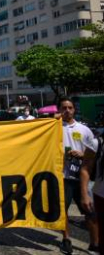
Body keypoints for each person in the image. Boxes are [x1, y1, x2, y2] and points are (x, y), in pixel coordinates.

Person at [58, 97, 98, 254]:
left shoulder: (84, 129)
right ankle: (66, 239)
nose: (67, 110)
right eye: (63, 108)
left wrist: (82, 155)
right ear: (59, 110)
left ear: (74, 110)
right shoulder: (54, 128)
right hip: (62, 176)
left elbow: (93, 154)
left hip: (82, 177)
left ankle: (95, 244)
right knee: (63, 212)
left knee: (90, 211)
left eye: (70, 107)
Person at [81, 134, 103, 255]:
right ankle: (95, 244)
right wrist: (84, 194)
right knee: (92, 217)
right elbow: (85, 169)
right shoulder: (97, 143)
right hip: (100, 193)